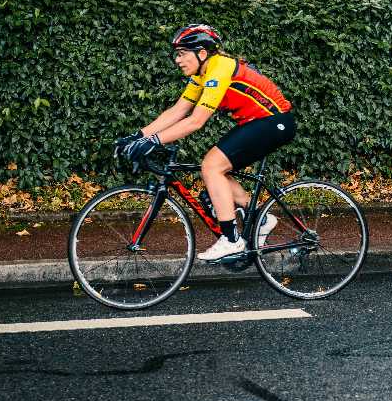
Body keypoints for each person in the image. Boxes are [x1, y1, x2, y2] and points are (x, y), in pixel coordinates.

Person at [114, 24, 295, 261]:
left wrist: (154, 141)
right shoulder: (202, 74)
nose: (177, 60)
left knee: (212, 166)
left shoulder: (219, 68)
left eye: (182, 54)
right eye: (177, 54)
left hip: (274, 122)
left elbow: (196, 121)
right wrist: (138, 137)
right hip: (257, 122)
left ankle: (231, 240)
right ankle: (262, 219)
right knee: (216, 169)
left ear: (201, 53)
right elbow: (178, 110)